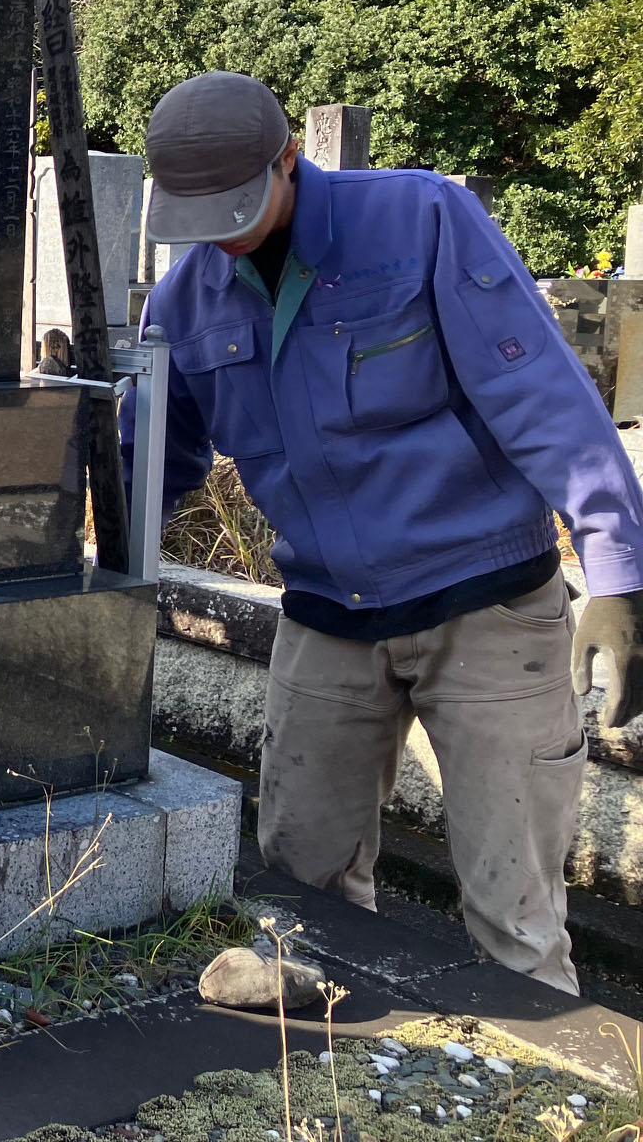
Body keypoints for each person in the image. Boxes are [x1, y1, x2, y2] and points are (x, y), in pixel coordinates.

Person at [125, 71, 643, 993]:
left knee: (514, 909)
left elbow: (542, 399)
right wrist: (70, 550)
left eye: (238, 204)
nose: (221, 232)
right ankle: (325, 1089)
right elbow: (149, 463)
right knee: (299, 895)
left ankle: (534, 1104)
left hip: (485, 608)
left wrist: (619, 570)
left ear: (289, 159)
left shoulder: (422, 220)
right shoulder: (183, 304)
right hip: (327, 617)